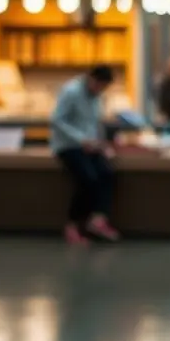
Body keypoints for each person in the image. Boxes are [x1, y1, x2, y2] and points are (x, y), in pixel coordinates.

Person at [51, 65, 121, 244]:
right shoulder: (71, 91)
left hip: (91, 145)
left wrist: (102, 144)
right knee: (87, 178)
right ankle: (72, 225)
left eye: (103, 87)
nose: (99, 90)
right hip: (68, 145)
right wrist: (81, 139)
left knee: (107, 173)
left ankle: (98, 219)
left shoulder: (98, 96)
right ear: (91, 78)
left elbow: (96, 122)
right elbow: (57, 120)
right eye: (98, 85)